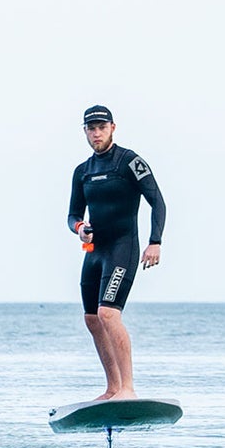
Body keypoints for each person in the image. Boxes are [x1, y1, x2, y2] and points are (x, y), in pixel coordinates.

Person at [68, 105, 165, 402]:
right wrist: (80, 228)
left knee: (108, 313)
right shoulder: (82, 171)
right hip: (95, 251)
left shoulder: (129, 162)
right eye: (91, 128)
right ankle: (112, 388)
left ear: (112, 127)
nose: (96, 133)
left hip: (123, 246)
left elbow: (158, 201)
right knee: (92, 320)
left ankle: (128, 389)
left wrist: (155, 241)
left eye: (102, 127)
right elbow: (72, 214)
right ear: (85, 131)